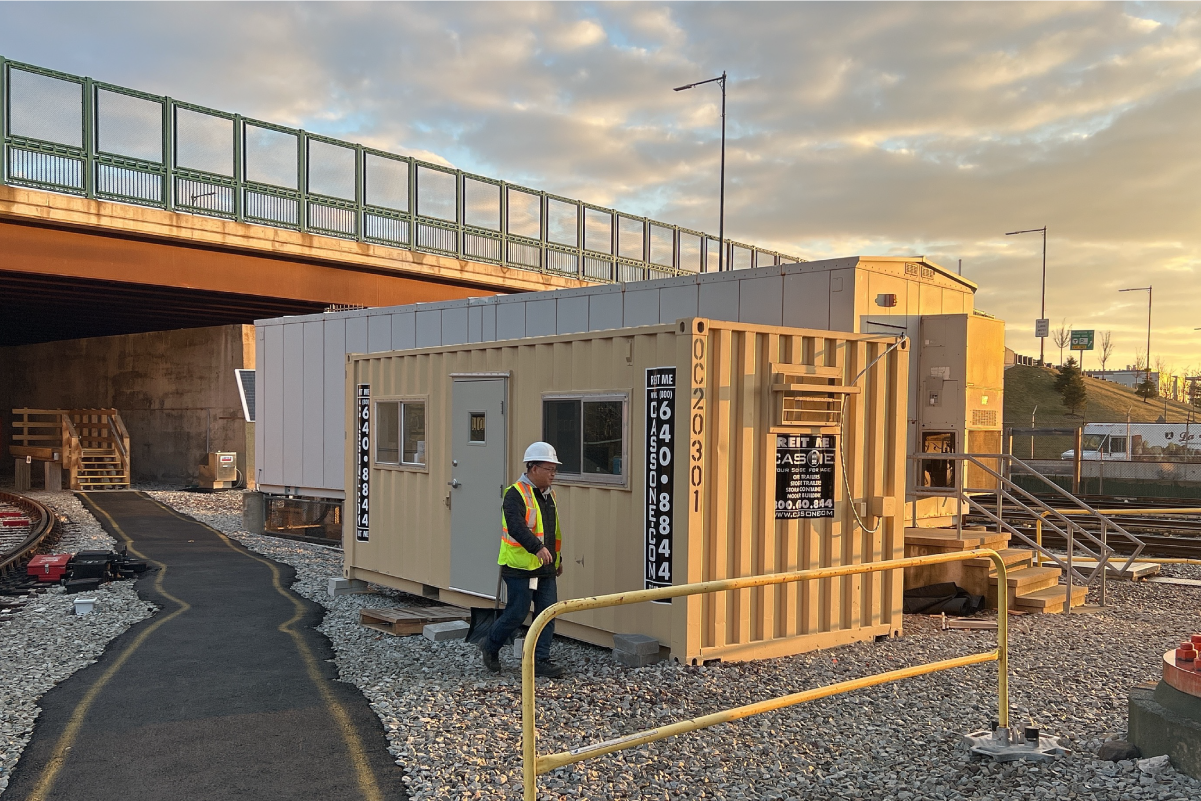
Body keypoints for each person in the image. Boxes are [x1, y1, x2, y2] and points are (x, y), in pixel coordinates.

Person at [479, 441, 565, 679]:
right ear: (533, 468)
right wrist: (537, 548)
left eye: (554, 470)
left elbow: (551, 531)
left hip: (545, 567)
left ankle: (540, 661)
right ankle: (490, 645)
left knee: (547, 612)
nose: (553, 474)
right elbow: (516, 527)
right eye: (549, 469)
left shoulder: (549, 495)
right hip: (519, 567)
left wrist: (557, 559)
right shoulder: (514, 494)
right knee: (517, 613)